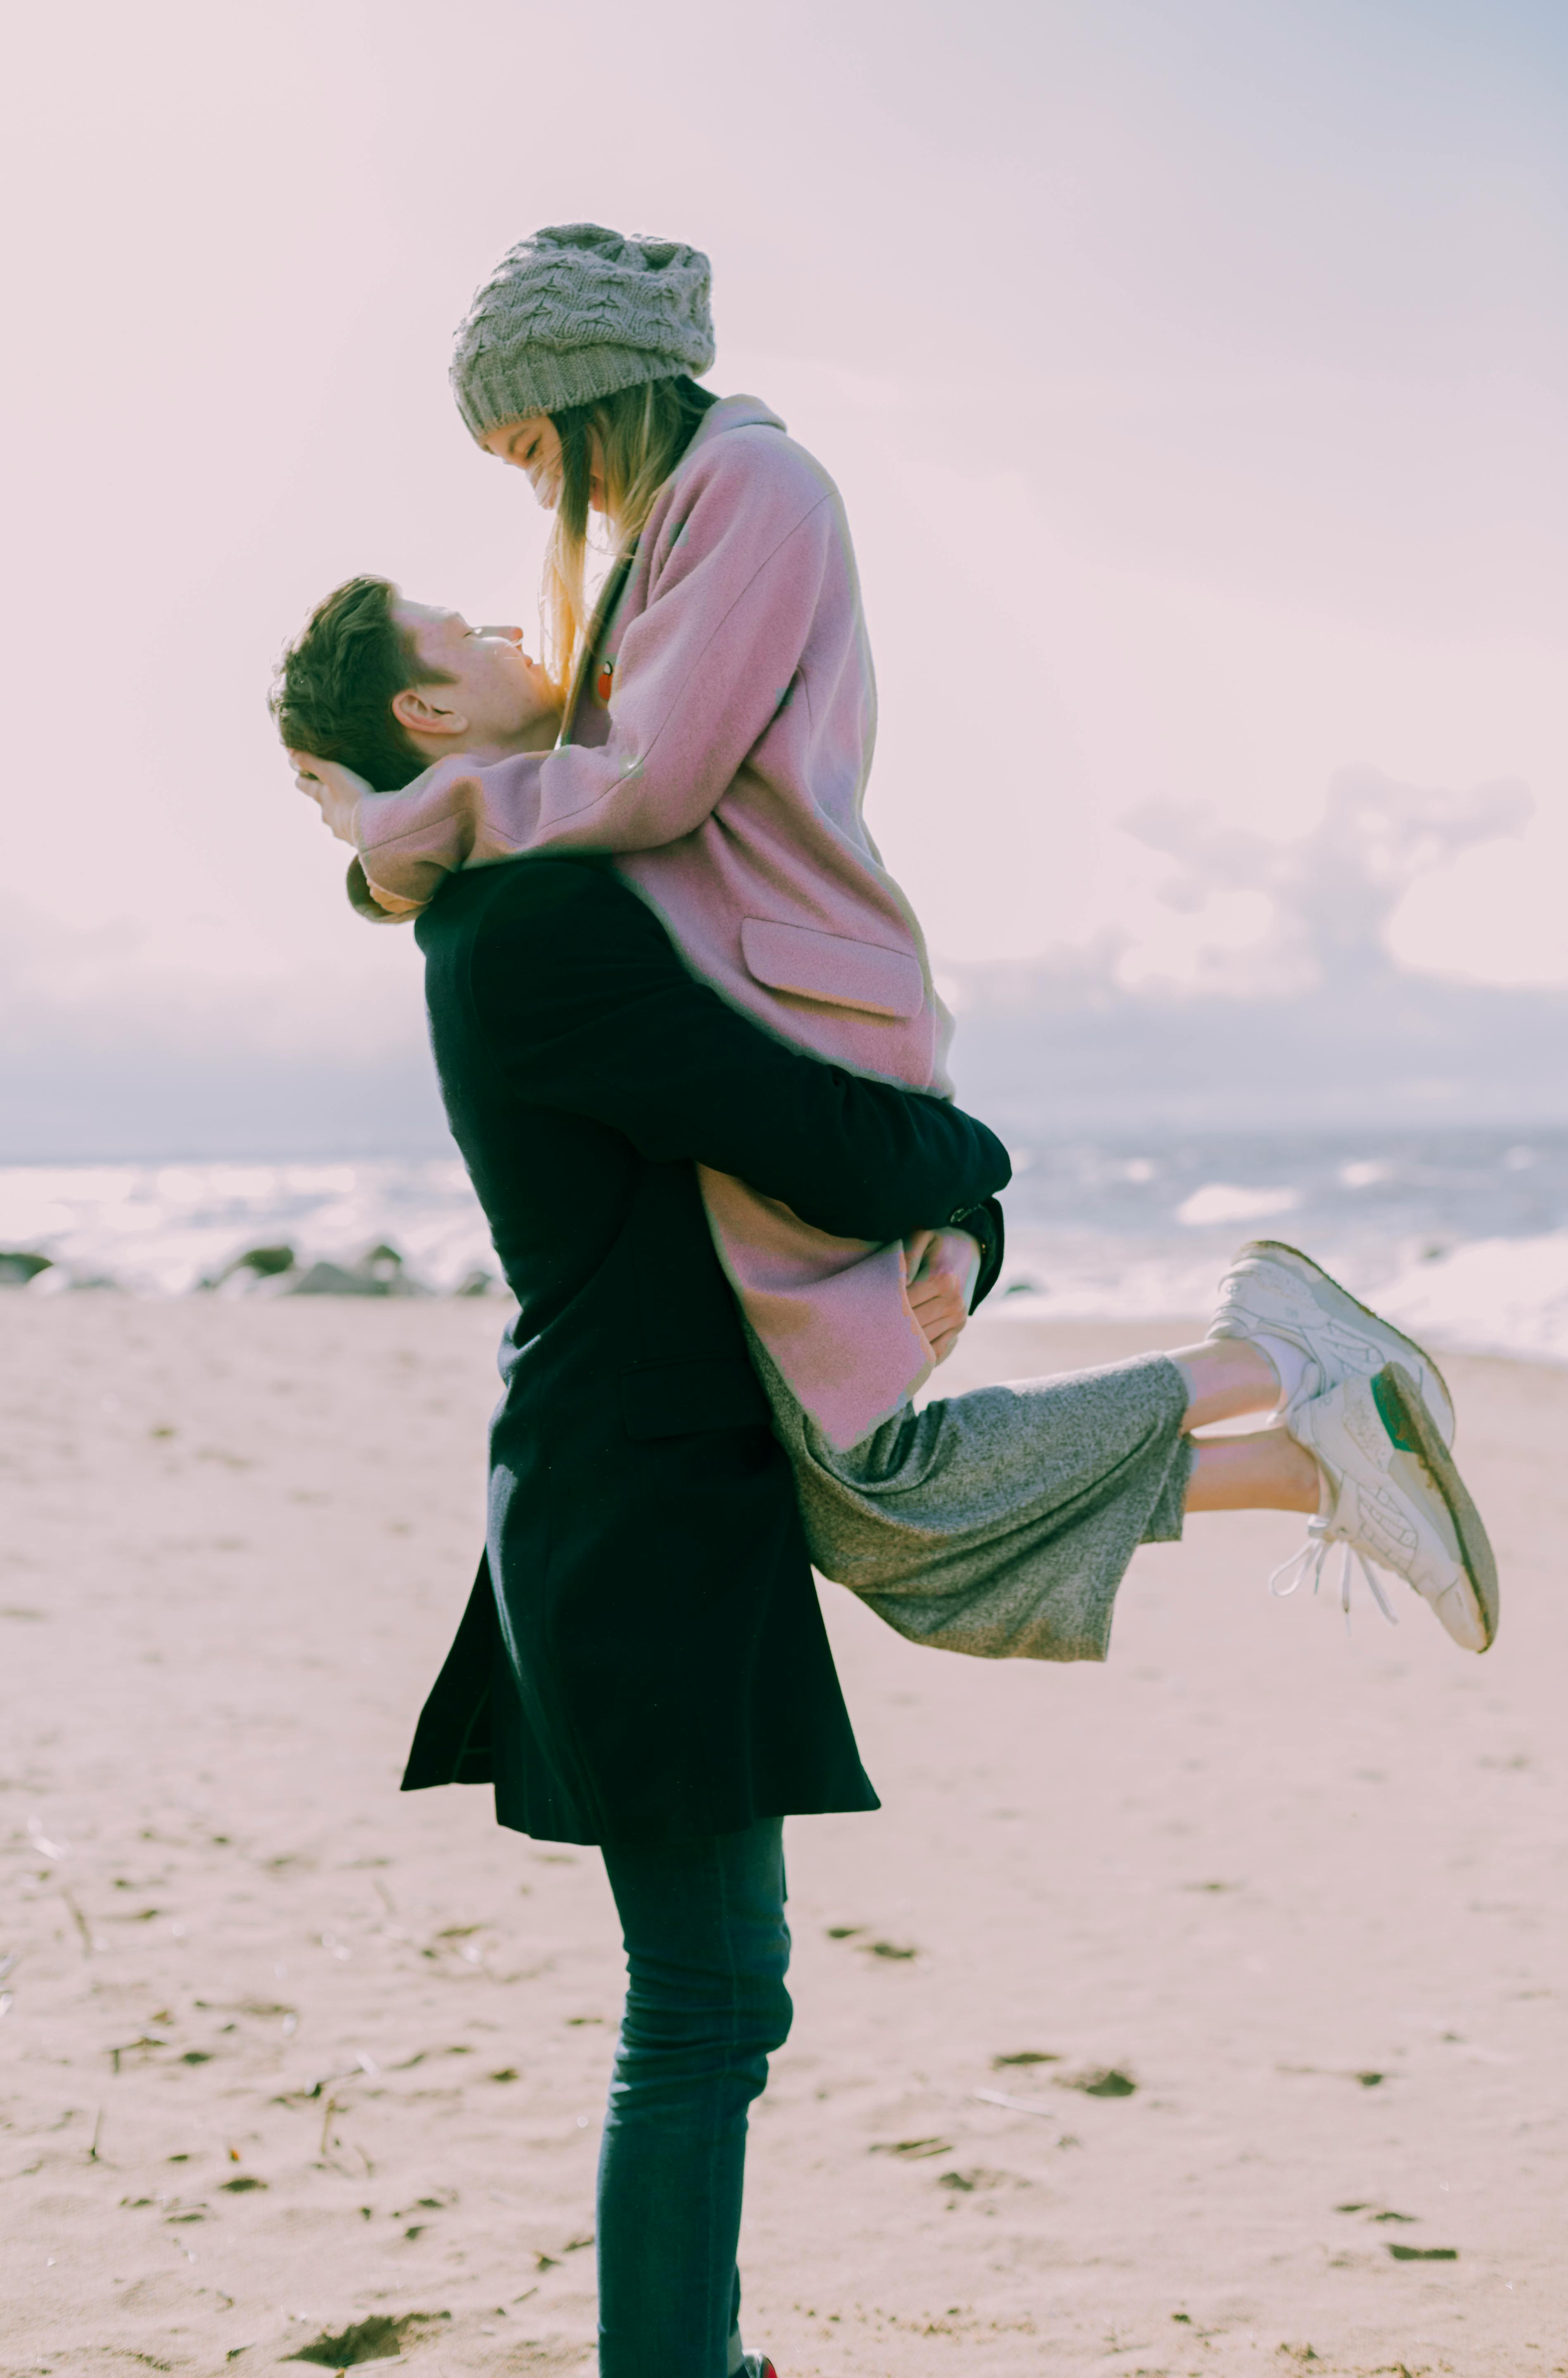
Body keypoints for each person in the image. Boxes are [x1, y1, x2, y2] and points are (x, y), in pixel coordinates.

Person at [275, 230, 1499, 2378]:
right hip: (642, 1478)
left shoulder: (740, 506)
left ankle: (1290, 1404)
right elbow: (680, 945)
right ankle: (1286, 1402)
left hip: (663, 1409)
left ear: (580, 391)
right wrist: (957, 1195)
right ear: (411, 720)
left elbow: (664, 811)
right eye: (457, 630)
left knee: (858, 1610)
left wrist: (949, 1192)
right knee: (862, 1613)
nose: (509, 572)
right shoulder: (529, 912)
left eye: (516, 463)